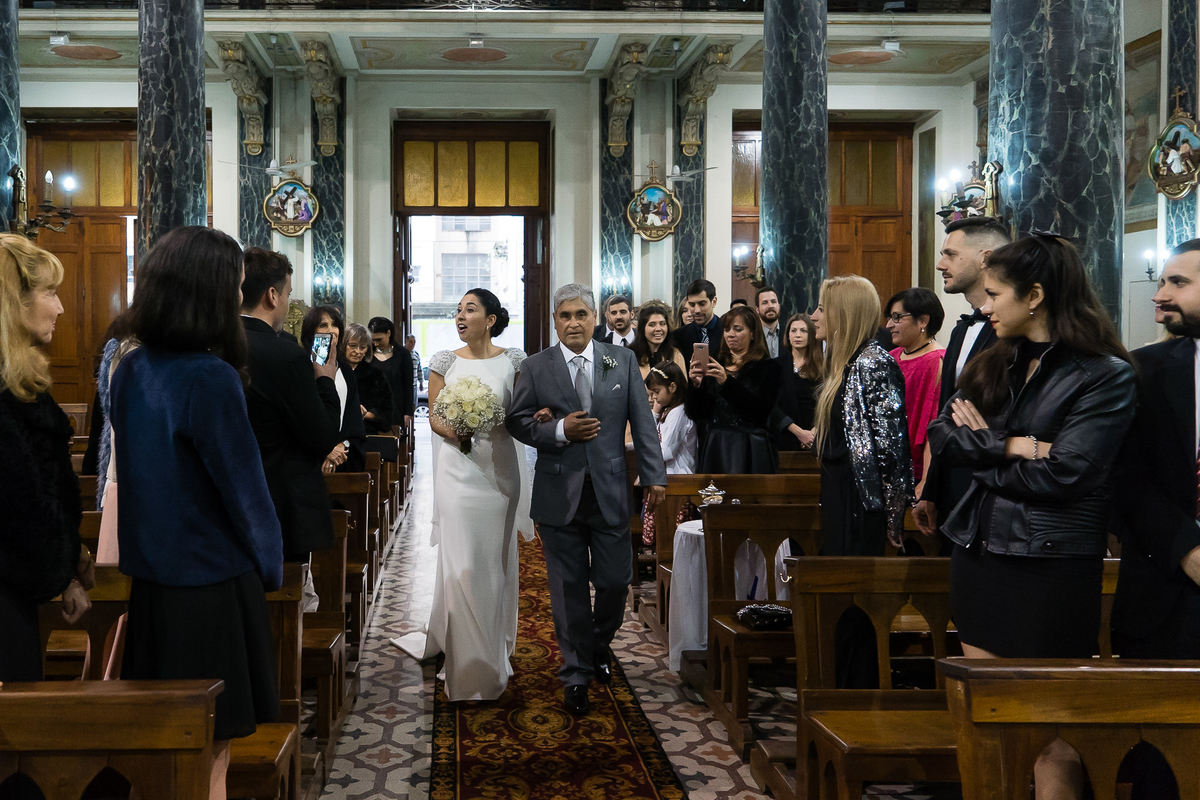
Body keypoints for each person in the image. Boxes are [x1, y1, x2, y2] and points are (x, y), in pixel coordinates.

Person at [926, 235, 1135, 798]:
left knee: (1050, 734)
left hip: (1049, 566)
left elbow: (1069, 474)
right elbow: (943, 436)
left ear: (1036, 295)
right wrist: (1019, 446)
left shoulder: (1104, 374)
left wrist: (988, 448)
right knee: (990, 722)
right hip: (979, 556)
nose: (985, 306)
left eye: (995, 294)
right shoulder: (999, 358)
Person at [110, 227, 283, 800]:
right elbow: (245, 490)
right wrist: (271, 564)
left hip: (154, 585)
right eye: (234, 286)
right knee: (210, 753)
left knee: (162, 749)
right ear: (211, 292)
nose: (238, 298)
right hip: (210, 586)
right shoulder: (209, 376)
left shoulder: (131, 367)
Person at [507, 283, 666, 716]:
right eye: (564, 316)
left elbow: (643, 421)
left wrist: (654, 476)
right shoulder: (537, 366)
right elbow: (517, 421)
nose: (573, 323)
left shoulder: (622, 360)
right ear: (554, 321)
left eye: (581, 314)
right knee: (567, 589)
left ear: (594, 318)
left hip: (611, 490)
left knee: (616, 581)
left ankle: (598, 643)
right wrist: (558, 431)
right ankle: (576, 672)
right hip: (560, 493)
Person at [392, 289, 532, 701]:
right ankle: (471, 666)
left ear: (490, 319)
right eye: (457, 310)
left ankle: (494, 643)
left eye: (469, 309)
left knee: (494, 561)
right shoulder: (443, 362)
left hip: (500, 473)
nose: (460, 316)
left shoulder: (515, 361)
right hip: (457, 472)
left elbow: (521, 413)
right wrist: (461, 430)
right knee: (463, 562)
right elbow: (434, 417)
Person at [0, 233, 92, 682]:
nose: (59, 307)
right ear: (13, 301)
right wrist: (64, 564)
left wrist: (69, 562)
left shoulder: (17, 383)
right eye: (50, 292)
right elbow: (21, 504)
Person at [239, 247, 342, 613]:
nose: (286, 304)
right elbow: (321, 437)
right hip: (280, 502)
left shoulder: (215, 344)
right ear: (272, 295)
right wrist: (325, 382)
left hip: (228, 500)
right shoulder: (285, 356)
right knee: (283, 612)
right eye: (286, 295)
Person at [1112, 238, 1200, 659]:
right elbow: (1126, 477)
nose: (1159, 293)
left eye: (1177, 282)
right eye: (1162, 280)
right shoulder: (1143, 369)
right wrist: (1187, 549)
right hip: (1162, 593)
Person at [913, 216, 1012, 537]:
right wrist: (930, 490)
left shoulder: (1013, 334)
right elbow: (944, 417)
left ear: (985, 258)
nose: (941, 264)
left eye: (951, 255)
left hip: (995, 486)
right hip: (952, 487)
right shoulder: (960, 330)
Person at [686, 305, 782, 474]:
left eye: (738, 329)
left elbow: (759, 412)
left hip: (750, 446)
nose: (730, 334)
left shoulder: (768, 367)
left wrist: (726, 382)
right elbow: (698, 414)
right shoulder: (715, 364)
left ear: (753, 333)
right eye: (727, 329)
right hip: (716, 445)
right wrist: (696, 385)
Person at [885, 287, 946, 485]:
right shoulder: (891, 357)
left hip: (917, 468)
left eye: (897, 317)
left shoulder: (936, 360)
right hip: (888, 465)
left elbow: (933, 423)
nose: (888, 325)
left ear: (923, 321)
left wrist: (926, 481)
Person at [301, 306, 366, 473]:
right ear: (311, 331)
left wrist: (341, 446)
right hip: (310, 455)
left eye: (335, 325)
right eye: (323, 325)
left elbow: (353, 417)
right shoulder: (301, 366)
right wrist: (326, 449)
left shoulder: (346, 371)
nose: (331, 330)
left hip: (342, 455)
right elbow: (303, 415)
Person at [773, 313, 823, 452]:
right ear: (788, 335)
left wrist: (813, 433)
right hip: (785, 437)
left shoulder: (823, 367)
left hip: (816, 439)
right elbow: (772, 407)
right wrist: (800, 433)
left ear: (812, 334)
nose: (798, 335)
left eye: (803, 330)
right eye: (793, 331)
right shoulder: (776, 365)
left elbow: (828, 404)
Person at [344, 323, 396, 436]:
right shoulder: (333, 370)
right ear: (343, 345)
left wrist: (367, 414)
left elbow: (387, 415)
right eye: (353, 346)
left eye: (362, 348)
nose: (358, 351)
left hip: (365, 434)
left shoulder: (375, 375)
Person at [368, 316, 416, 430]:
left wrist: (408, 413)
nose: (375, 344)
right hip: (370, 411)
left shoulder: (403, 354)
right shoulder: (367, 354)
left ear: (388, 333)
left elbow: (408, 385)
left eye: (379, 339)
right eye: (372, 340)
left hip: (395, 409)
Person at [629, 301, 686, 381]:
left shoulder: (675, 354)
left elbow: (682, 387)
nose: (658, 329)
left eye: (662, 324)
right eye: (652, 325)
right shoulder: (631, 354)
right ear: (643, 328)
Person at [674, 279, 722, 365]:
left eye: (702, 304)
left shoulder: (727, 332)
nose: (696, 310)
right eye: (692, 305)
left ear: (714, 302)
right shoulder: (677, 337)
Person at [755, 286, 782, 358]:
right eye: (764, 303)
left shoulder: (789, 333)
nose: (770, 306)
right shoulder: (752, 335)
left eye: (773, 302)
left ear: (779, 306)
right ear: (757, 309)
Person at [406, 333, 423, 407]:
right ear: (406, 341)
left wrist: (421, 382)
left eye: (414, 342)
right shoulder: (401, 353)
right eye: (410, 342)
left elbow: (419, 369)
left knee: (413, 405)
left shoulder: (416, 354)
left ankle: (412, 418)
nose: (412, 344)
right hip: (404, 386)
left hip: (414, 385)